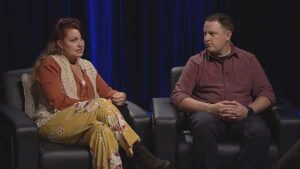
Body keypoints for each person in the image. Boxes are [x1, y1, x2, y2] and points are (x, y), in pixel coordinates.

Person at [31, 17, 170, 169]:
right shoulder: (49, 64)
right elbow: (57, 102)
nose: (80, 44)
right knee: (99, 104)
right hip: (53, 121)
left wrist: (118, 95)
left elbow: (106, 91)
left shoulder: (87, 66)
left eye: (81, 39)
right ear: (60, 43)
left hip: (85, 123)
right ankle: (140, 154)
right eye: (73, 40)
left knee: (103, 131)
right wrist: (92, 105)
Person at [171, 12, 275, 169]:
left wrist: (247, 110)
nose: (206, 38)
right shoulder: (196, 62)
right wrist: (210, 108)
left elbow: (267, 94)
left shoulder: (248, 60)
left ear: (228, 35)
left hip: (242, 117)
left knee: (259, 131)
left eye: (212, 34)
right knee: (203, 124)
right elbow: (178, 96)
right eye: (205, 34)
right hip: (208, 116)